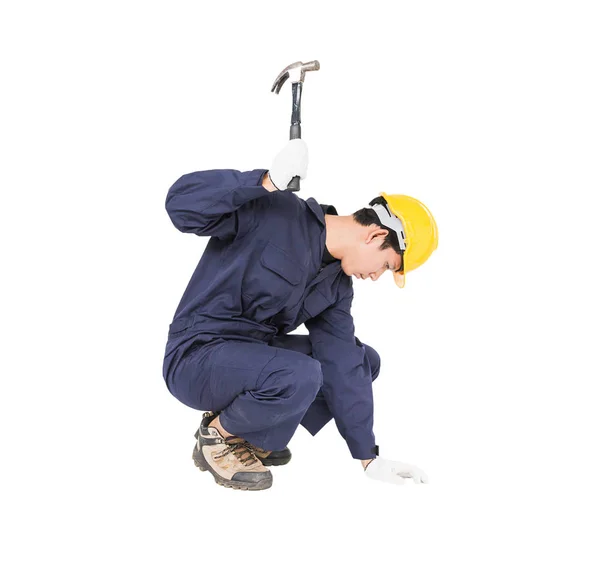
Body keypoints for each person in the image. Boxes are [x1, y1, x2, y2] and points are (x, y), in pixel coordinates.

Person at [162, 139, 438, 491]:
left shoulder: (336, 286)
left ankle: (251, 434)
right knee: (300, 373)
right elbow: (181, 206)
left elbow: (341, 362)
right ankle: (218, 435)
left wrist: (369, 457)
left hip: (251, 363)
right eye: (386, 265)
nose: (377, 276)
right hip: (196, 358)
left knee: (364, 361)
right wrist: (265, 182)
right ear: (376, 235)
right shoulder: (277, 213)